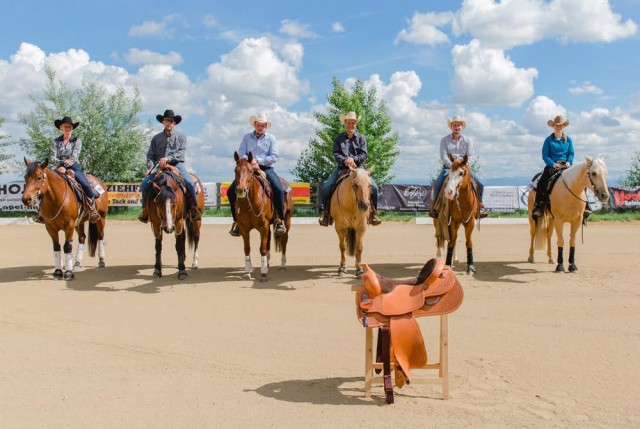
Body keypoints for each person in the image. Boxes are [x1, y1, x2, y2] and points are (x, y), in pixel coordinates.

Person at [228, 114, 287, 237]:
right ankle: (236, 221)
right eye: (258, 125)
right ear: (254, 125)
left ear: (266, 127)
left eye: (263, 126)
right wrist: (249, 162)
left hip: (266, 168)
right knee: (230, 191)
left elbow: (274, 156)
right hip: (247, 168)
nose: (260, 127)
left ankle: (279, 219)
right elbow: (241, 152)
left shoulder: (271, 138)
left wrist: (257, 161)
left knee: (277, 188)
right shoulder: (246, 137)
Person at [318, 111, 381, 226]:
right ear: (345, 123)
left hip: (359, 169)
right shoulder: (338, 139)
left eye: (353, 123)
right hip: (341, 167)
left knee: (375, 188)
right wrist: (345, 160)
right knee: (326, 187)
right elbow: (336, 153)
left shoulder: (361, 139)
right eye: (348, 123)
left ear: (356, 124)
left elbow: (364, 154)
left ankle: (374, 213)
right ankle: (325, 213)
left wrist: (354, 159)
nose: (351, 125)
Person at [138, 109, 201, 223]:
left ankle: (193, 209)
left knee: (190, 183)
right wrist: (151, 168)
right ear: (163, 121)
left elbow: (180, 153)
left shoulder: (181, 137)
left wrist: (167, 158)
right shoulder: (156, 138)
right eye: (167, 120)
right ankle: (145, 210)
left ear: (174, 123)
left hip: (176, 164)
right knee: (144, 184)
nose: (169, 123)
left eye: (171, 121)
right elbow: (150, 155)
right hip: (158, 166)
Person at [34, 116, 100, 224]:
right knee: (45, 184)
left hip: (73, 166)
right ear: (61, 128)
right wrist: (60, 165)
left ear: (72, 128)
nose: (67, 129)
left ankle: (92, 209)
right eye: (65, 127)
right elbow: (52, 157)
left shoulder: (77, 141)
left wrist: (64, 166)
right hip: (58, 168)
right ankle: (40, 212)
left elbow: (74, 157)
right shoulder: (55, 141)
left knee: (85, 184)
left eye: (69, 127)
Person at [429, 115, 488, 219]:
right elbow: (443, 156)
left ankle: (480, 206)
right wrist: (452, 165)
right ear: (451, 127)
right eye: (454, 125)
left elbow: (471, 155)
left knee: (480, 183)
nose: (457, 127)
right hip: (449, 168)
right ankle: (435, 207)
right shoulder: (444, 140)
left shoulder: (468, 140)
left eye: (459, 125)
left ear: (462, 127)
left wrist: (463, 165)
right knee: (438, 183)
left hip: (463, 168)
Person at [532, 115, 576, 219]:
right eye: (556, 126)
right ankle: (539, 206)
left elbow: (571, 153)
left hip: (566, 165)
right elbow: (545, 155)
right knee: (542, 182)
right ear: (553, 126)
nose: (558, 127)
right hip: (552, 165)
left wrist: (569, 162)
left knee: (580, 179)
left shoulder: (568, 140)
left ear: (563, 127)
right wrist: (553, 164)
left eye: (560, 126)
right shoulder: (548, 140)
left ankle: (586, 206)